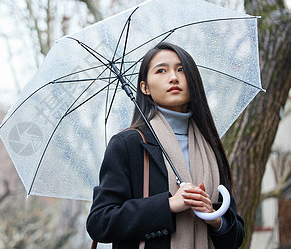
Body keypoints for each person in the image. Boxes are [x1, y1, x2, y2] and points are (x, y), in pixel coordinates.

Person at [86, 42, 245, 249]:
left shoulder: (210, 147)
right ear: (145, 88)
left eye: (181, 69)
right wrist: (168, 205)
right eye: (161, 70)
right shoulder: (129, 144)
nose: (173, 77)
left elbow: (236, 236)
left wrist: (214, 218)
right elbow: (100, 222)